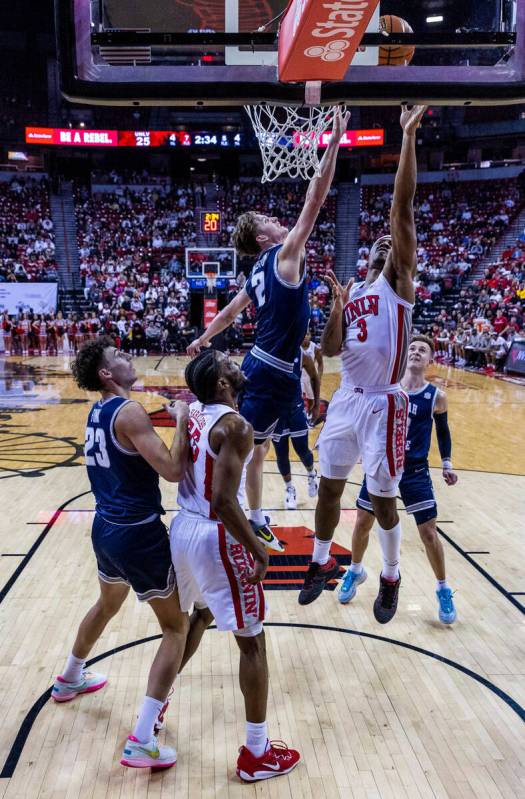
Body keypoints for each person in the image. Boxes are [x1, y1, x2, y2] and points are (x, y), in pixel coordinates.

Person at [187, 109, 349, 554]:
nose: (277, 221)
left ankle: (255, 519)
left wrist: (204, 339)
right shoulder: (282, 255)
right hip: (269, 369)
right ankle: (227, 519)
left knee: (257, 449)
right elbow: (315, 200)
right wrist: (332, 142)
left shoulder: (258, 269)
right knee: (243, 449)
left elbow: (229, 313)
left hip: (277, 369)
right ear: (262, 238)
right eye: (267, 221)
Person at [53, 337, 210, 769]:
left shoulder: (98, 411)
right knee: (176, 629)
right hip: (137, 533)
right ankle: (142, 739)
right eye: (118, 357)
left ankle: (69, 678)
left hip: (105, 528)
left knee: (107, 603)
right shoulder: (130, 412)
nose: (127, 359)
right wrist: (181, 419)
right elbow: (174, 470)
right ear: (106, 374)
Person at [298, 105, 427, 623]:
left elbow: (403, 210)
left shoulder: (398, 284)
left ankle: (391, 575)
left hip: (384, 404)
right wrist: (334, 304)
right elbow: (329, 350)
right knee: (330, 488)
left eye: (389, 243)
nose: (384, 242)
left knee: (382, 499)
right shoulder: (352, 295)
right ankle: (319, 561)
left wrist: (407, 136)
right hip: (348, 398)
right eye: (375, 244)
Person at [170, 349, 301, 782]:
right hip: (215, 536)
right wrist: (259, 549)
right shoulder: (235, 426)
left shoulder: (192, 414)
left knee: (197, 617)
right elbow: (224, 502)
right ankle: (257, 754)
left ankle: (158, 704)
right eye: (228, 362)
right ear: (221, 383)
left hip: (183, 531)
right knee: (252, 641)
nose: (236, 362)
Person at [338, 336, 458, 624]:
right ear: (405, 356)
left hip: (415, 471)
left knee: (429, 533)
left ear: (430, 360)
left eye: (423, 350)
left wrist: (446, 463)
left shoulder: (436, 396)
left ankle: (443, 589)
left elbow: (442, 431)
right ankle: (355, 570)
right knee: (363, 523)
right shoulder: (387, 389)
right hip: (381, 465)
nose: (416, 352)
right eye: (413, 348)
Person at [272, 351, 320, 510]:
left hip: (295, 409)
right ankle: (289, 489)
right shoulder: (270, 350)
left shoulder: (301, 355)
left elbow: (314, 376)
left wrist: (316, 403)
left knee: (302, 450)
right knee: (281, 453)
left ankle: (312, 474)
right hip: (277, 411)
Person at [300, 329, 324, 417]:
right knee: (299, 398)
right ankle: (301, 414)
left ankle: (309, 412)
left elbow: (321, 364)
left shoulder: (315, 348)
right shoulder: (296, 346)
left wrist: (319, 377)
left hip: (310, 378)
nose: (305, 336)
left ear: (310, 336)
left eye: (307, 334)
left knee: (311, 399)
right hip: (299, 377)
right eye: (303, 334)